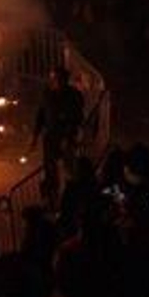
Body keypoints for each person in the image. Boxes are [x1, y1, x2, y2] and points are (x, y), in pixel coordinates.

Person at [32, 66, 85, 202]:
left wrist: (69, 136)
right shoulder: (47, 94)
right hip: (51, 138)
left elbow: (78, 118)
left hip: (68, 138)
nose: (54, 82)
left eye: (58, 79)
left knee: (70, 169)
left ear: (65, 80)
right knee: (50, 169)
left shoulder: (74, 95)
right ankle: (52, 196)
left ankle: (73, 197)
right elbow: (41, 114)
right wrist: (35, 136)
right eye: (53, 79)